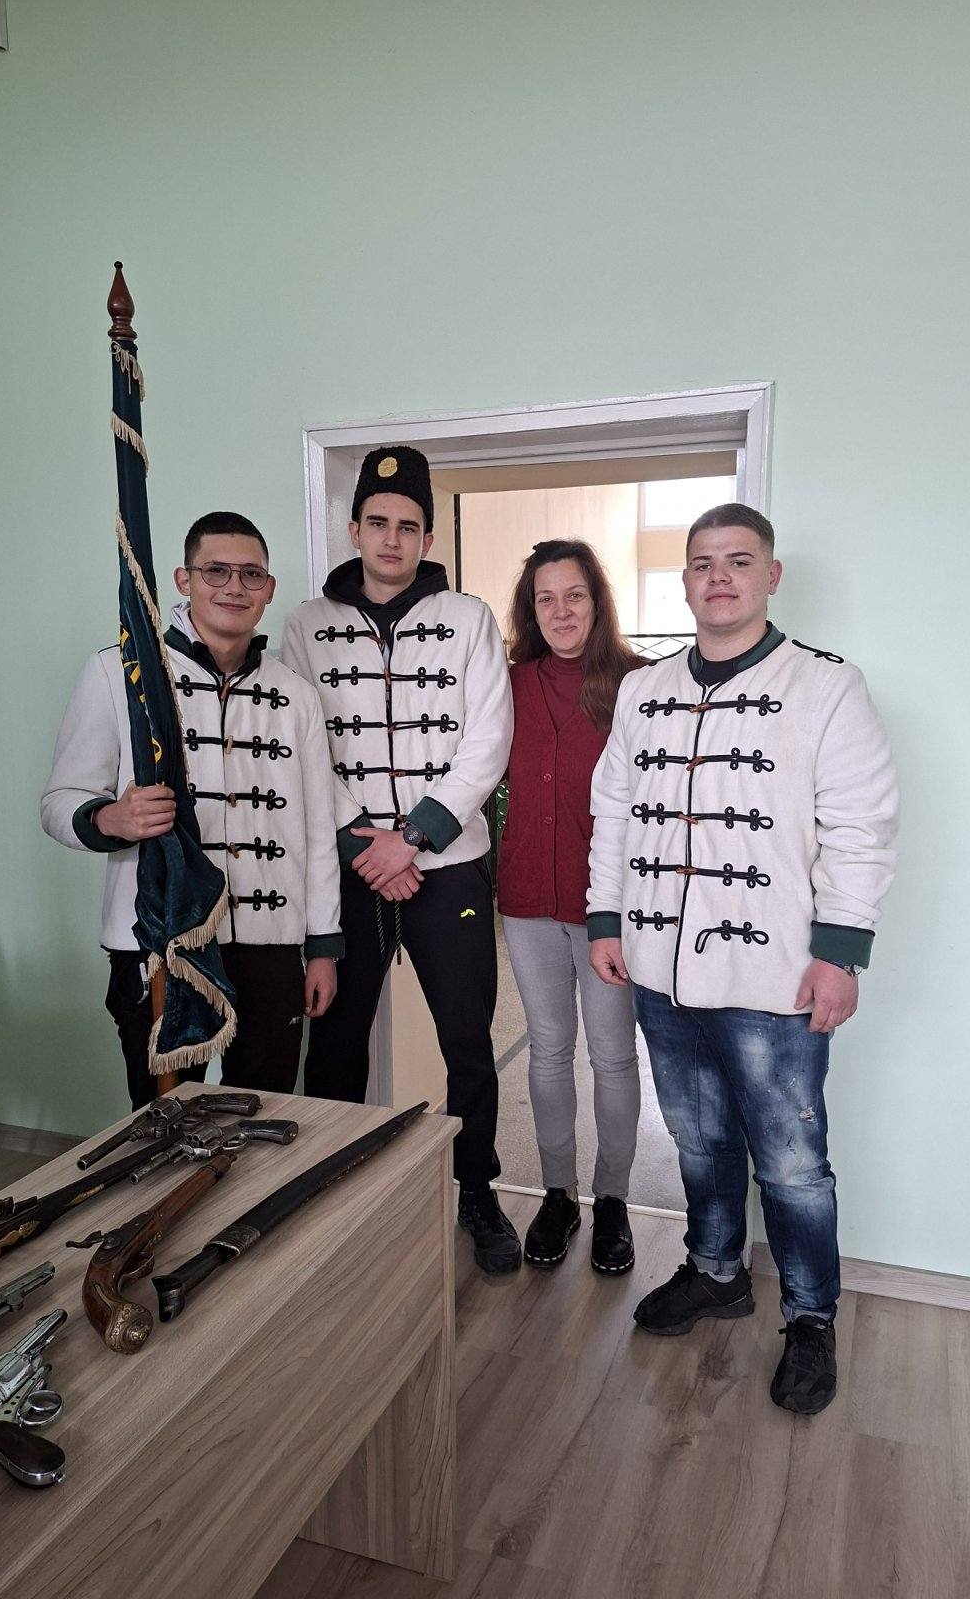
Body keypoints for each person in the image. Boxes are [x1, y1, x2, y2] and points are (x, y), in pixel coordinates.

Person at [587, 503, 898, 1414]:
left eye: (738, 560)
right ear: (685, 581)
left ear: (771, 576)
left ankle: (811, 1318)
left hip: (776, 977)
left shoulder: (826, 686)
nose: (718, 577)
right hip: (660, 967)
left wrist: (841, 952)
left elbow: (861, 825)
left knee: (793, 1164)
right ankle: (717, 1270)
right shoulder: (644, 691)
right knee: (698, 1139)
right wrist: (606, 918)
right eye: (702, 563)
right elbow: (613, 811)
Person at [282, 446, 520, 1273]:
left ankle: (477, 1191)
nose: (392, 538)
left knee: (468, 1043)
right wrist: (365, 841)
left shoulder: (469, 619)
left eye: (408, 525)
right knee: (336, 1041)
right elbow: (302, 747)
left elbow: (488, 741)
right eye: (378, 522)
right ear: (353, 529)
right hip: (352, 870)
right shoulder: (304, 627)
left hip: (445, 866)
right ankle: (328, 1189)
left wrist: (411, 837)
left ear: (427, 536)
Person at [42, 511, 343, 1108]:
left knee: (264, 1111)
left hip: (270, 943)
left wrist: (323, 947)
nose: (234, 587)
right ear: (184, 579)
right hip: (158, 937)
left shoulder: (297, 696)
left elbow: (316, 834)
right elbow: (58, 803)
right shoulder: (120, 674)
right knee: (163, 1118)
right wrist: (109, 819)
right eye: (215, 571)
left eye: (251, 574)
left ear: (269, 589)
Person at [499, 540, 644, 1273]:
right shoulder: (505, 683)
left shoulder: (639, 684)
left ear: (597, 602)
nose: (560, 612)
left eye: (574, 595)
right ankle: (557, 1194)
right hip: (526, 898)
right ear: (532, 610)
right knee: (550, 1049)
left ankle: (613, 1198)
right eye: (546, 598)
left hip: (608, 910)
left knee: (612, 1056)